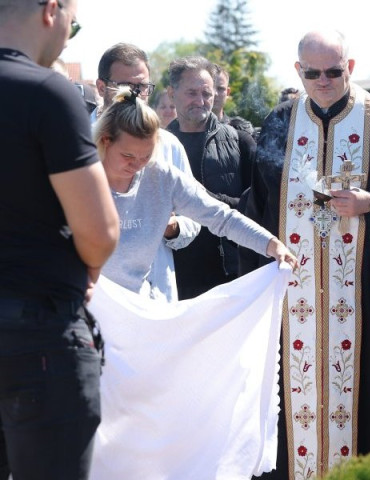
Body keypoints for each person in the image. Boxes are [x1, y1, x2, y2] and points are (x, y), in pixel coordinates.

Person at [239, 29, 370, 478]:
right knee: (292, 404)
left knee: (368, 400)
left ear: (350, 67)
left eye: (333, 70)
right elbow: (260, 203)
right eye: (313, 73)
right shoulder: (281, 122)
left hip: (361, 293)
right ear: (298, 71)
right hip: (294, 299)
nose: (323, 80)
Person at [0, 1, 120, 477]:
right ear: (52, 9)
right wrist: (89, 267)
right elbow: (99, 231)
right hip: (37, 338)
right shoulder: (46, 92)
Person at [96, 88, 296, 293]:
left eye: (146, 156)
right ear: (105, 141)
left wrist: (272, 245)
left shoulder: (163, 177)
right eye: (128, 156)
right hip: (85, 305)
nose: (137, 165)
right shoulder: (80, 180)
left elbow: (222, 218)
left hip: (139, 304)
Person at [95, 43, 200, 302]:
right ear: (100, 88)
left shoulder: (168, 145)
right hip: (96, 298)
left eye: (142, 87)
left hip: (154, 296)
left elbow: (196, 218)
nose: (135, 95)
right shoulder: (77, 144)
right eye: (125, 87)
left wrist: (171, 227)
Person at [165, 55, 257, 299]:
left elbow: (257, 207)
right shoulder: (156, 147)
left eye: (206, 93)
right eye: (192, 93)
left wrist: (204, 199)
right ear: (171, 94)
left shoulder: (241, 143)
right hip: (173, 276)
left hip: (229, 276)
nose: (201, 101)